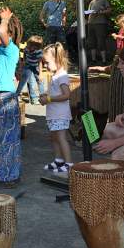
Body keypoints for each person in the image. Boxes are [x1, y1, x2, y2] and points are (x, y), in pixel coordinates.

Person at [0, 8, 24, 188]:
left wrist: (4, 19)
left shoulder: (11, 50)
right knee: (2, 138)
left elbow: (2, 31)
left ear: (9, 34)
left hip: (6, 97)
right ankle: (8, 174)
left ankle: (9, 176)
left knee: (8, 139)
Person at [39, 43, 72, 177]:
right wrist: (46, 96)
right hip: (53, 114)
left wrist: (49, 99)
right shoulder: (55, 75)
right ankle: (59, 160)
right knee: (54, 137)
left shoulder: (62, 76)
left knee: (61, 138)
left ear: (57, 59)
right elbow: (55, 92)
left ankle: (68, 164)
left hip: (60, 114)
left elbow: (66, 95)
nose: (45, 66)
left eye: (47, 63)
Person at [86, 0, 112, 65]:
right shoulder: (92, 2)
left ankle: (104, 60)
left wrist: (100, 12)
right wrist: (87, 12)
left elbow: (109, 10)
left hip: (100, 23)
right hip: (91, 23)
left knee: (101, 41)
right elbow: (89, 12)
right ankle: (93, 60)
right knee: (91, 42)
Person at [16, 35, 44, 105]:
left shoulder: (39, 51)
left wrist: (40, 73)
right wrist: (22, 65)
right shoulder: (26, 48)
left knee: (40, 81)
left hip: (36, 66)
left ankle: (43, 96)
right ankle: (17, 95)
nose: (31, 48)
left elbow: (40, 62)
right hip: (28, 66)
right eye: (30, 45)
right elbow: (23, 56)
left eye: (34, 47)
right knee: (23, 80)